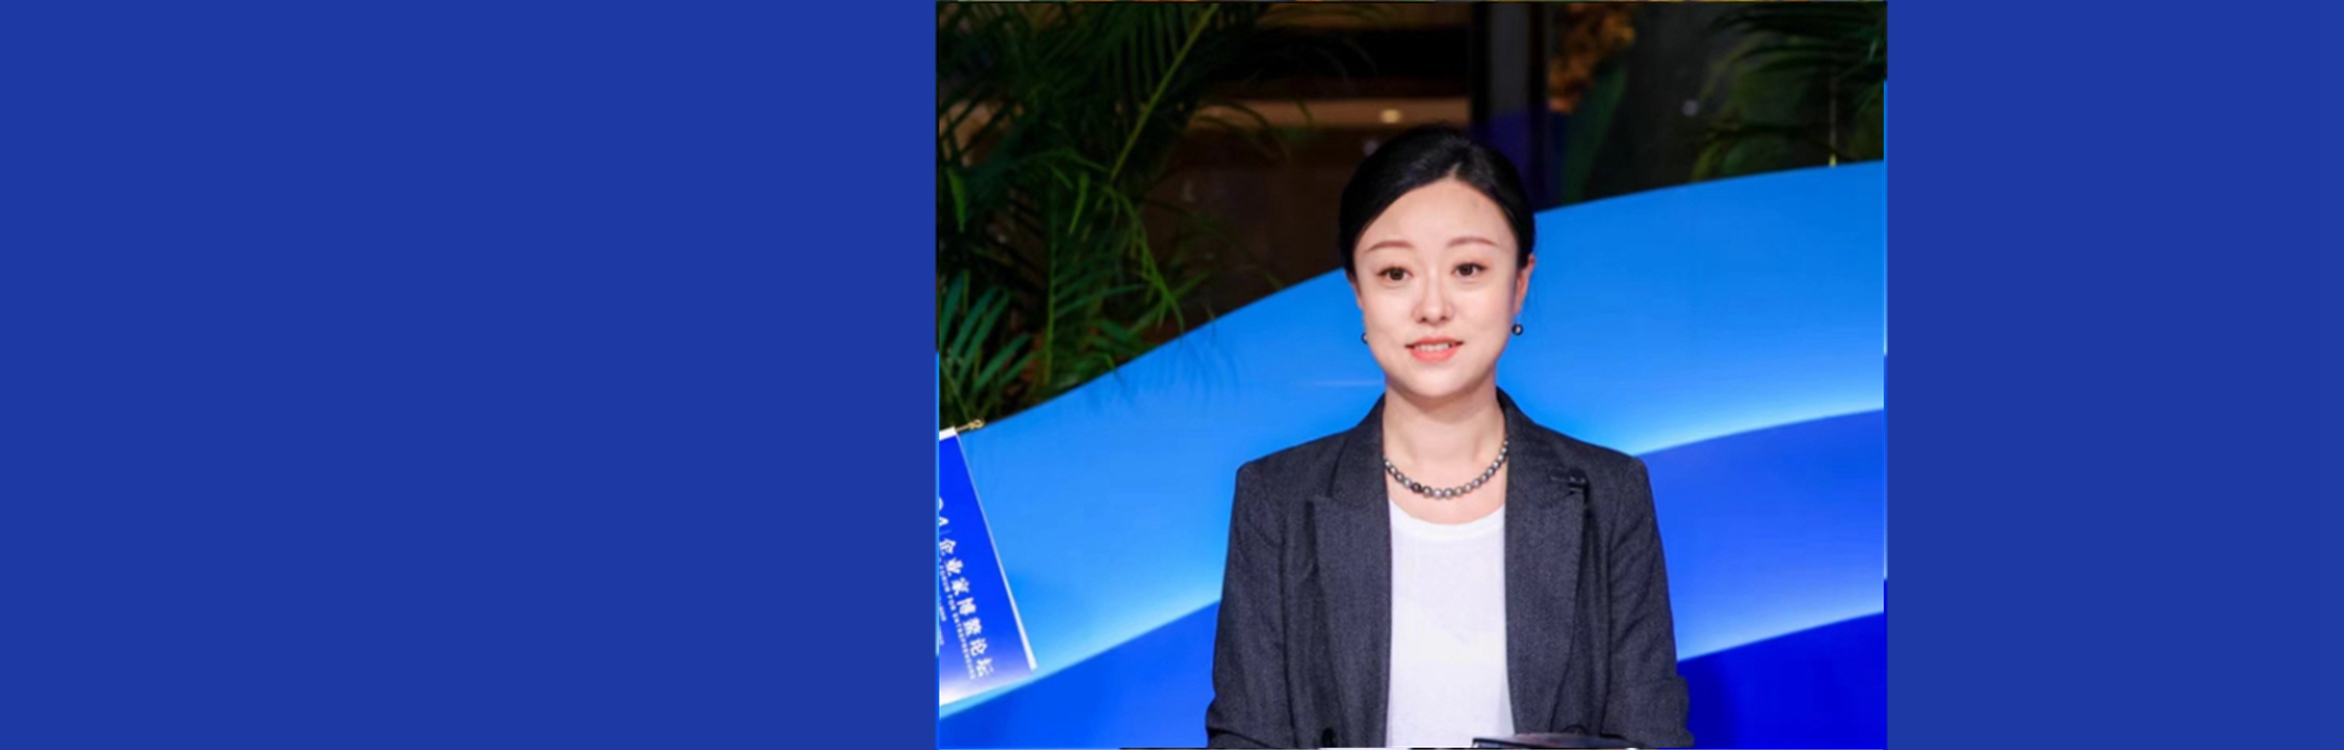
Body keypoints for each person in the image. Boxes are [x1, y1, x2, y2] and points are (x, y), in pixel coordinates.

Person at [1204, 125, 1693, 749]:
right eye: (1395, 273)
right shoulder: (1277, 499)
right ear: (1357, 292)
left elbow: (1651, 739)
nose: (1432, 307)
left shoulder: (1609, 494)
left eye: (1467, 268)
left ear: (1519, 284)